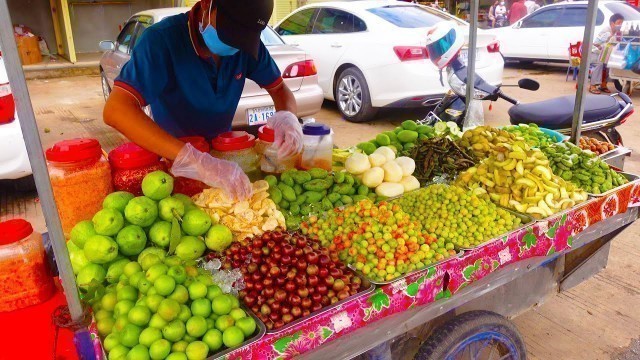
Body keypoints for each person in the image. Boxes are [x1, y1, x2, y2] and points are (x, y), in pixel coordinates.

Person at [103, 0, 303, 201]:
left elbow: (280, 90)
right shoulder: (161, 41)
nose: (234, 44)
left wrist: (287, 118)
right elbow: (116, 110)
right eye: (229, 33)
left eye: (241, 39)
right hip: (175, 164)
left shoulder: (244, 44)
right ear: (207, 5)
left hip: (223, 159)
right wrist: (195, 162)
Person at [590, 13, 624, 94]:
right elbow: (596, 43)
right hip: (595, 53)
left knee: (610, 64)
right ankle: (592, 85)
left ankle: (603, 85)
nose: (620, 25)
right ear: (612, 23)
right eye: (619, 23)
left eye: (621, 23)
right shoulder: (606, 31)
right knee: (600, 63)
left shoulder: (618, 32)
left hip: (605, 54)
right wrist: (605, 42)